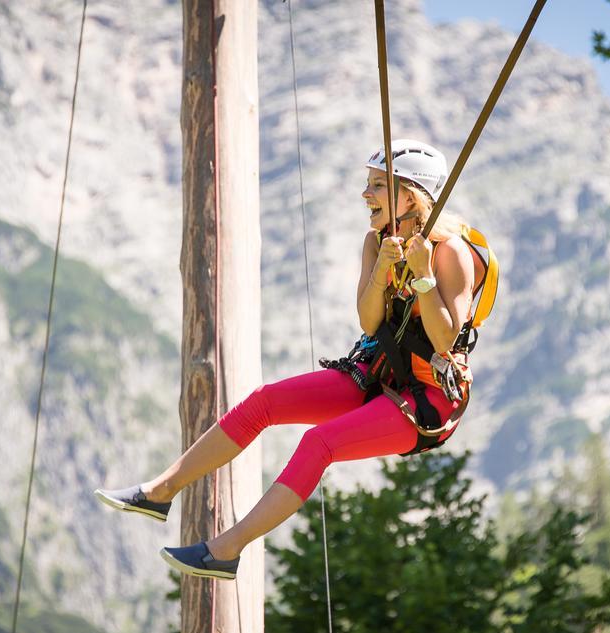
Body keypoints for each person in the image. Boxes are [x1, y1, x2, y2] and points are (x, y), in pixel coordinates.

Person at [94, 139, 482, 580]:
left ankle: (226, 550)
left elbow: (446, 338)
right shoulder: (377, 242)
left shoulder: (452, 253)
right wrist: (383, 270)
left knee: (319, 443)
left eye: (377, 185)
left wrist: (425, 275)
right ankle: (161, 491)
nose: (365, 194)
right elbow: (371, 322)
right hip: (377, 373)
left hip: (427, 400)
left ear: (409, 196)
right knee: (265, 402)